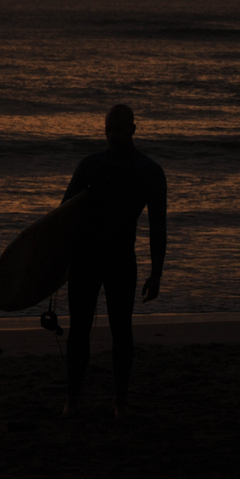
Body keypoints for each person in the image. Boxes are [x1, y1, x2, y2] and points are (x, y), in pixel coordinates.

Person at [61, 104, 167, 418]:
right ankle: (72, 401)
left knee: (122, 331)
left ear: (133, 129)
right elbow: (63, 214)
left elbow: (158, 226)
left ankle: (120, 403)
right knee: (78, 330)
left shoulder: (149, 171)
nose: (113, 135)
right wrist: (54, 263)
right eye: (108, 129)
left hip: (121, 260)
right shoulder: (90, 165)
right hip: (85, 258)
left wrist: (156, 273)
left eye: (119, 129)